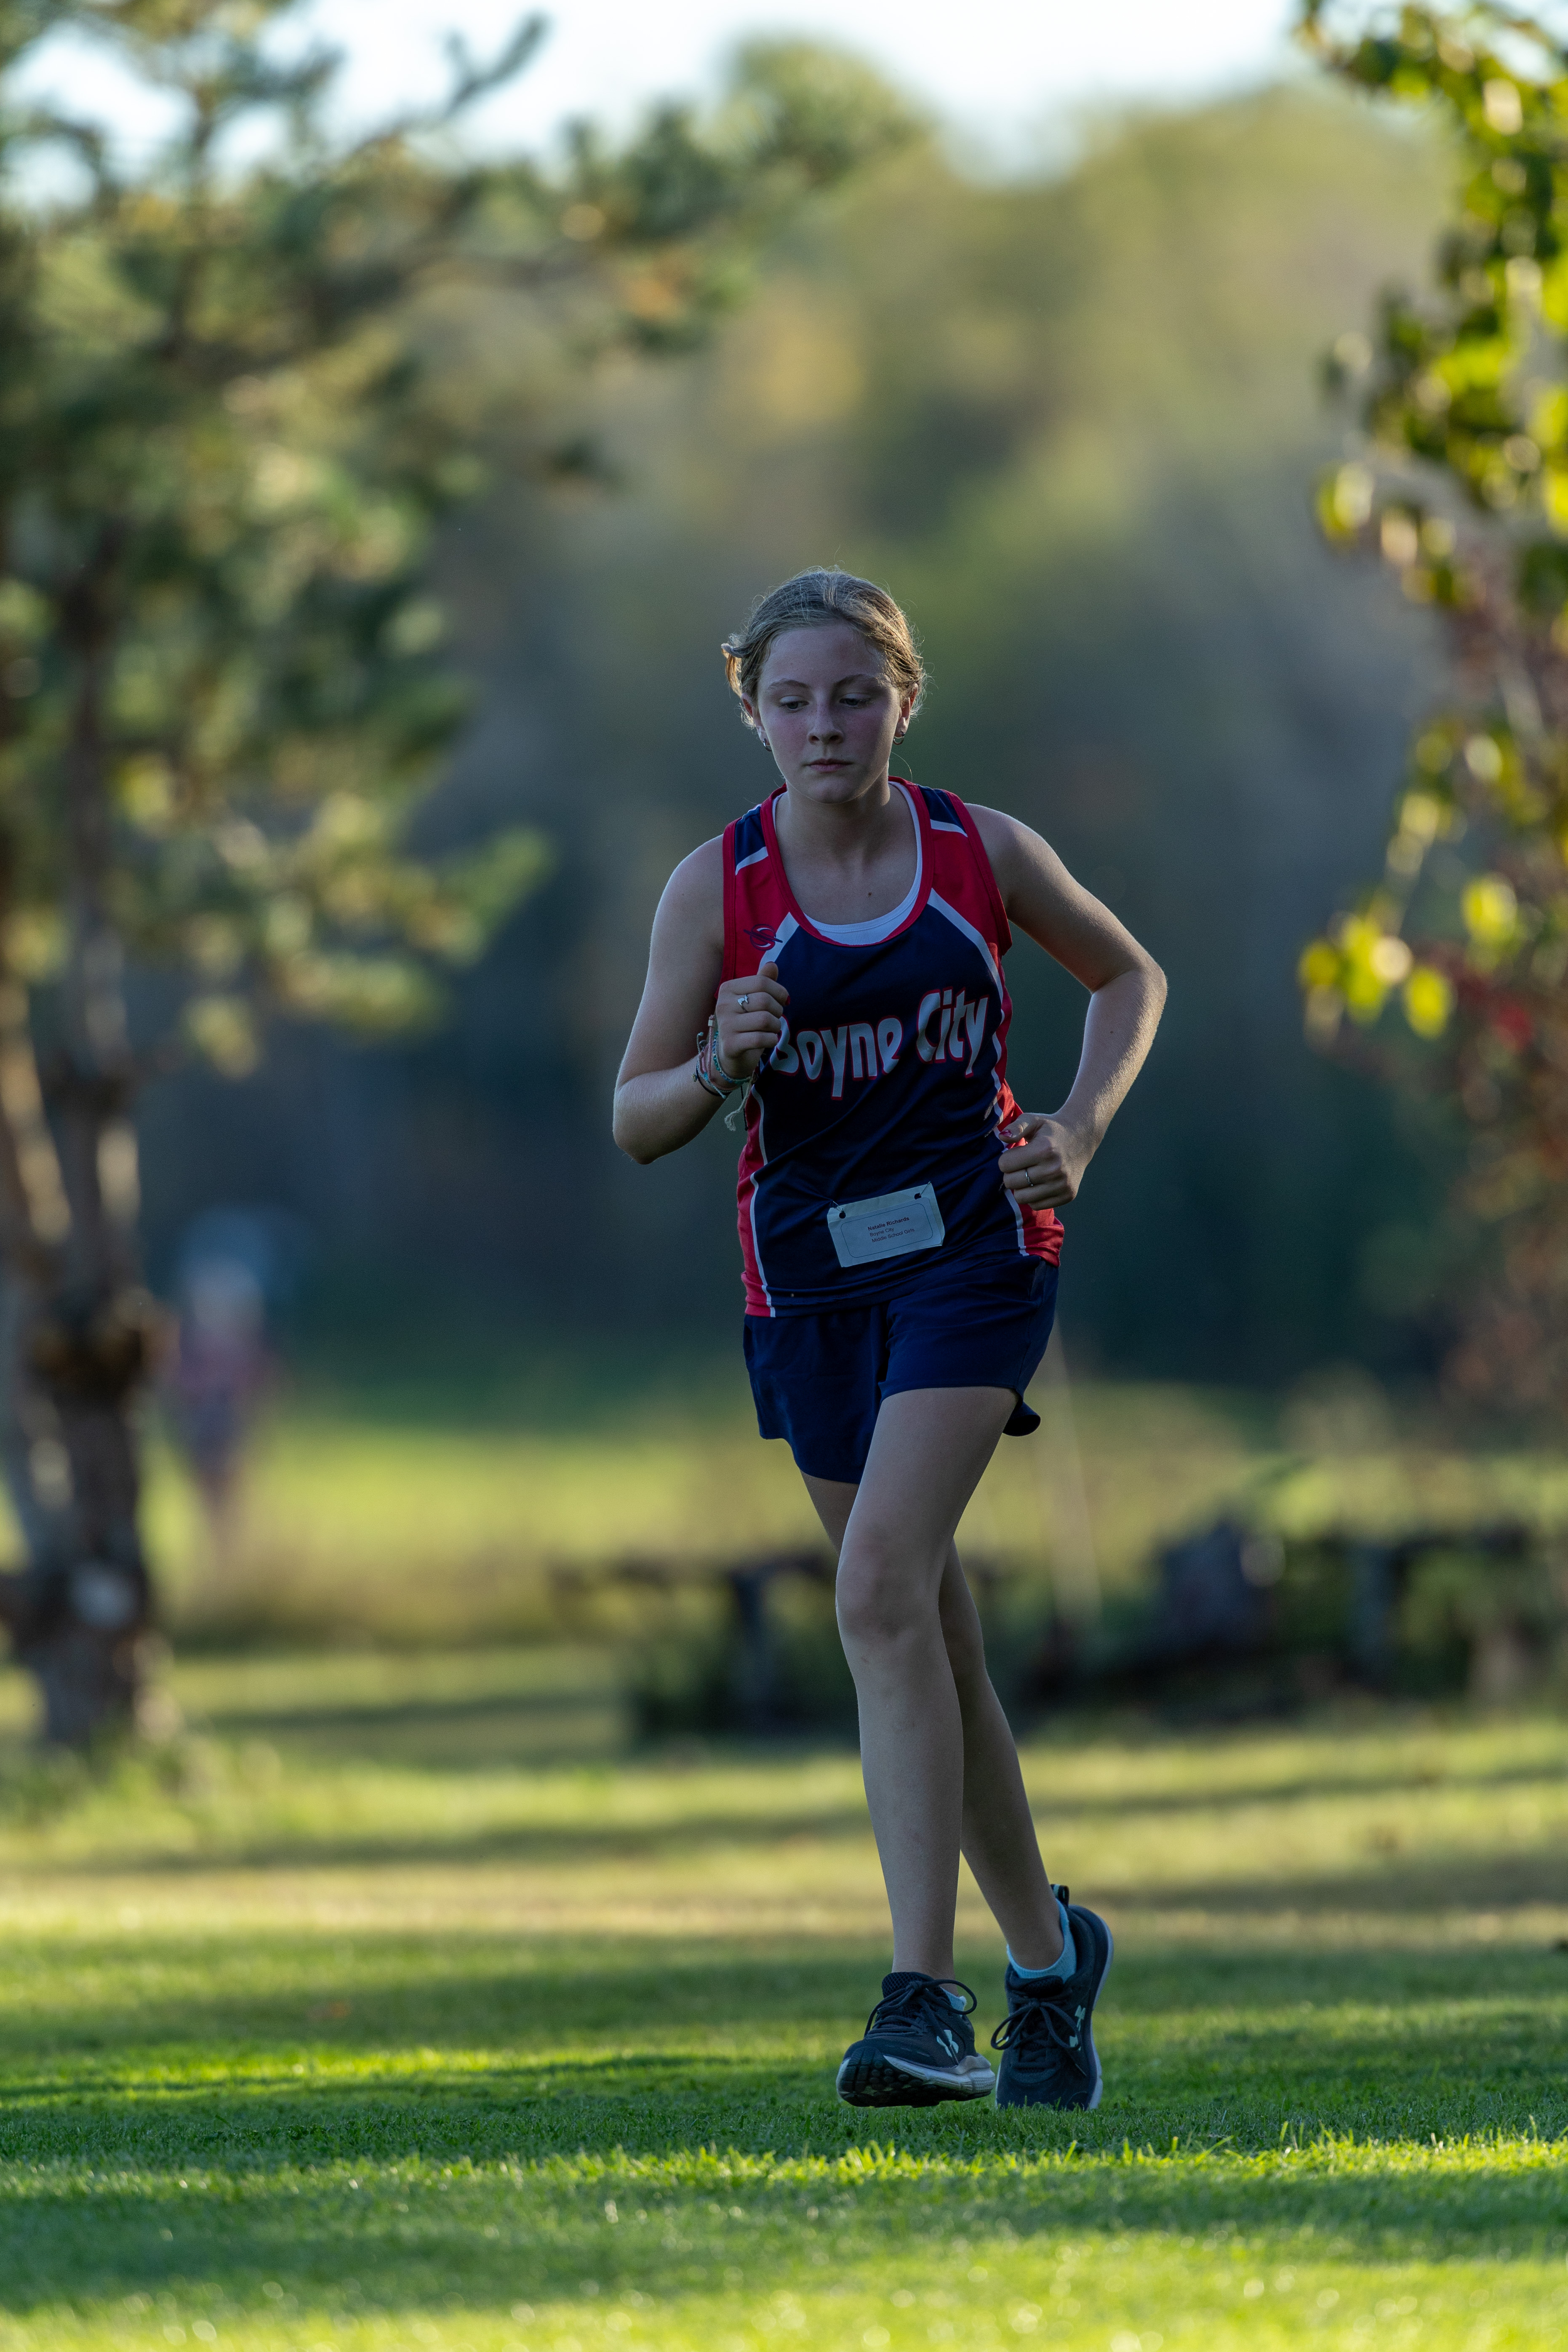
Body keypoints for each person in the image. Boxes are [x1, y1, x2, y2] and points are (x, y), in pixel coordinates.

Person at [613, 569, 1165, 2109]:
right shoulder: (715, 889)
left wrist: (1078, 1124)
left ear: (902, 700)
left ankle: (922, 2001)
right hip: (806, 1286)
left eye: (854, 695)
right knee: (927, 1624)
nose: (825, 725)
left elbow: (1129, 974)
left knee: (873, 1588)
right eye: (792, 699)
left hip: (974, 1255)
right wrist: (717, 1066)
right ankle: (1049, 1964)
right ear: (752, 710)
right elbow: (634, 1116)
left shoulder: (978, 851)